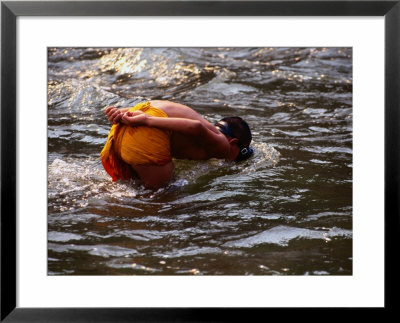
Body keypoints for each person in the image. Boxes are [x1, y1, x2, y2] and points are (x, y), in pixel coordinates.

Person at [101, 100, 253, 189]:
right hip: (145, 128)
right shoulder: (223, 146)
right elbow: (196, 128)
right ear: (234, 143)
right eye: (240, 154)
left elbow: (152, 109)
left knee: (129, 189)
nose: (235, 159)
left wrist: (118, 113)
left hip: (124, 126)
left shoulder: (203, 124)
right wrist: (147, 120)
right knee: (160, 203)